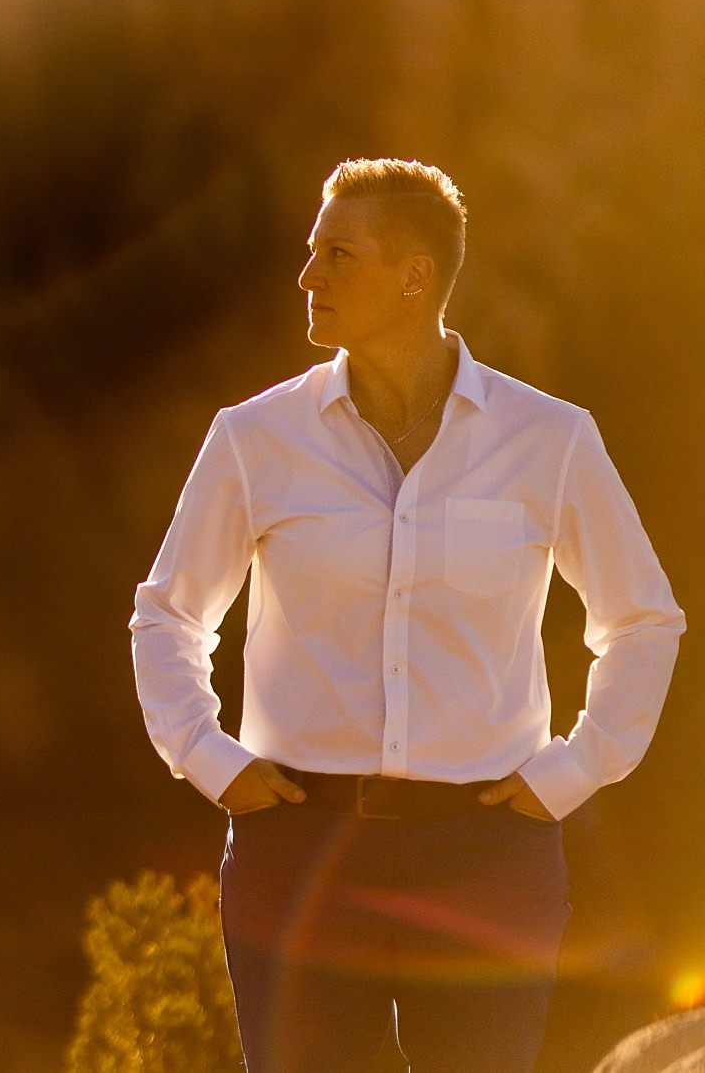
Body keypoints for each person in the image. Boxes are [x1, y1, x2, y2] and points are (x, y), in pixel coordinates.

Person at [130, 159, 683, 1073]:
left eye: (338, 255)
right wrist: (210, 759)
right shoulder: (253, 438)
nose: (309, 278)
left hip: (488, 860)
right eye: (312, 254)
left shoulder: (548, 438)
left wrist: (576, 768)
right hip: (298, 853)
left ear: (415, 277)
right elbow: (167, 617)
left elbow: (643, 619)